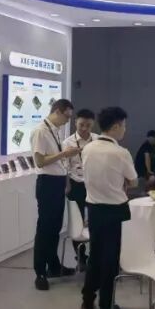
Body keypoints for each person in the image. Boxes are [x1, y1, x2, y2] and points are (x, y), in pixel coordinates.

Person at [81, 107, 137, 309]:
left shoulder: (87, 148)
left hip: (94, 209)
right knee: (111, 259)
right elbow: (133, 181)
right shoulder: (121, 152)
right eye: (123, 126)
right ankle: (106, 307)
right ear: (115, 126)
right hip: (116, 210)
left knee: (95, 255)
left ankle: (88, 300)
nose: (125, 130)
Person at [30, 99, 79, 291]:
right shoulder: (41, 131)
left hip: (57, 183)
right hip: (47, 183)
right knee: (45, 229)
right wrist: (64, 154)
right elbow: (40, 161)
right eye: (66, 116)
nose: (67, 121)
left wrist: (65, 180)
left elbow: (58, 162)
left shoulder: (55, 131)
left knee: (55, 228)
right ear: (57, 111)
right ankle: (40, 272)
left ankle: (54, 266)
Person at [65, 108, 96, 269]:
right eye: (81, 124)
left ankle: (95, 256)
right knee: (77, 221)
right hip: (76, 183)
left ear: (93, 125)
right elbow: (65, 167)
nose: (84, 128)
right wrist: (67, 186)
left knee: (95, 219)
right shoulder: (68, 142)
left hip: (95, 185)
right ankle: (81, 257)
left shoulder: (97, 140)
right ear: (75, 122)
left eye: (88, 125)